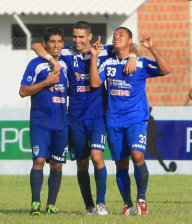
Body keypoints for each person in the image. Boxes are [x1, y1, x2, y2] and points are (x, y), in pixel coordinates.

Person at [32, 21, 137, 215]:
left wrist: (132, 56)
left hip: (97, 116)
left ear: (90, 37)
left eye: (81, 37)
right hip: (75, 118)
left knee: (98, 157)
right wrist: (51, 59)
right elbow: (36, 45)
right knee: (82, 162)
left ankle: (101, 203)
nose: (77, 40)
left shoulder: (104, 51)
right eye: (75, 36)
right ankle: (89, 206)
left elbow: (131, 45)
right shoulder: (66, 53)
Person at [89, 27, 171, 215]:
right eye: (115, 34)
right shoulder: (107, 62)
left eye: (122, 35)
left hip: (136, 119)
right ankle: (128, 204)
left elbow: (166, 70)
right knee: (121, 164)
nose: (117, 36)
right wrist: (93, 57)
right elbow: (94, 83)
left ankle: (141, 199)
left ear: (130, 41)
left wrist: (151, 47)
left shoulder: (141, 64)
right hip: (113, 121)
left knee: (138, 156)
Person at [19, 27, 68, 215]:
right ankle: (35, 203)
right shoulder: (36, 64)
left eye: (59, 41)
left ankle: (52, 205)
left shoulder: (66, 62)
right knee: (39, 160)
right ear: (46, 44)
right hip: (40, 122)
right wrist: (46, 82)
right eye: (52, 42)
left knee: (57, 164)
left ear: (63, 44)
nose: (56, 45)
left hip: (62, 123)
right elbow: (23, 91)